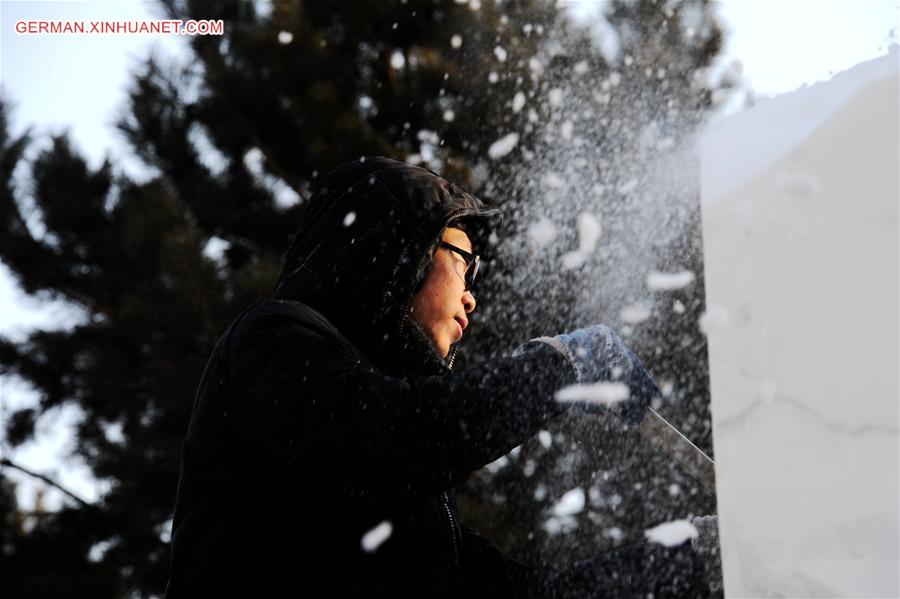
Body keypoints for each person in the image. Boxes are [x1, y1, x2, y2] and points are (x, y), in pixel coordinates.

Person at [164, 156, 718, 598]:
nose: (472, 296)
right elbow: (402, 433)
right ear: (396, 251)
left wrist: (690, 559)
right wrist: (559, 367)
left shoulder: (413, 517)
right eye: (462, 263)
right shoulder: (274, 342)